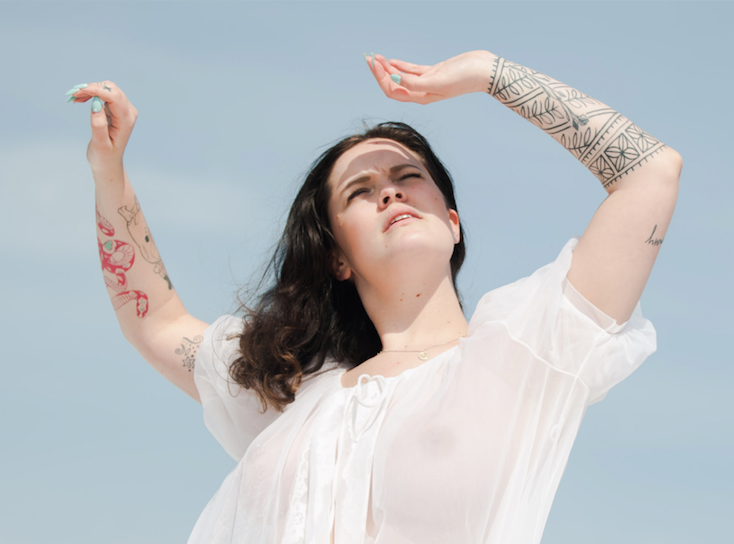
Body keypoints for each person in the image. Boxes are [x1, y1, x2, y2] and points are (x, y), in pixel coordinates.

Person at [67, 50, 681, 543]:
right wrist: (108, 173)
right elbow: (156, 322)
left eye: (409, 176)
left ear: (453, 222)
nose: (390, 192)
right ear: (337, 256)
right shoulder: (293, 390)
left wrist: (487, 73)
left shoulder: (525, 353)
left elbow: (650, 171)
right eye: (360, 191)